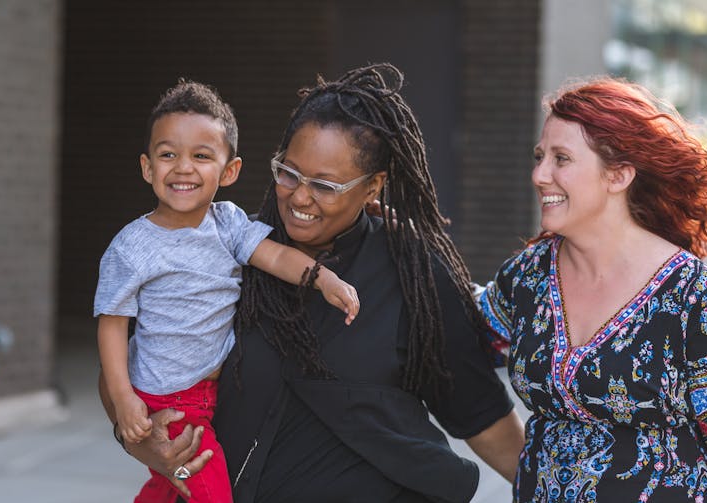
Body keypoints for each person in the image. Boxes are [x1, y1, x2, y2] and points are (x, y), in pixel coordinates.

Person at [100, 63, 525, 502]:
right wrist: (136, 437)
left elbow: (479, 412)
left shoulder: (414, 274)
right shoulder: (230, 250)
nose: (300, 197)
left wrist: (549, 490)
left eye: (325, 185)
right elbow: (132, 366)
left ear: (373, 187)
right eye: (289, 173)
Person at [94, 79, 360, 503]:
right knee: (210, 489)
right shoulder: (132, 246)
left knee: (168, 484)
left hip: (210, 394)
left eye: (201, 156)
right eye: (168, 155)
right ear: (148, 167)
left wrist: (322, 278)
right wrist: (124, 399)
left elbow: (274, 257)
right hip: (169, 398)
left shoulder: (228, 224)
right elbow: (112, 323)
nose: (183, 167)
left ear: (229, 170)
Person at [478, 76, 707, 502]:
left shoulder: (695, 298)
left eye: (562, 159)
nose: (540, 175)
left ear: (619, 175)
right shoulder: (527, 275)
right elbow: (459, 338)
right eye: (540, 156)